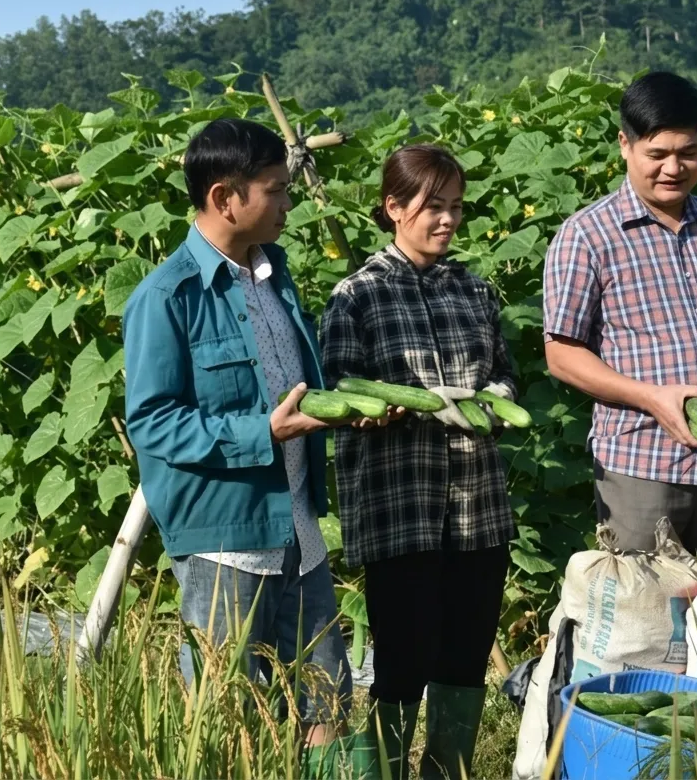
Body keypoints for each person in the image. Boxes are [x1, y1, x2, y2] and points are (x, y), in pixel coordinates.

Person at [123, 117, 380, 777]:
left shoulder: (272, 278)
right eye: (275, 189)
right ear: (224, 198)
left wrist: (340, 411)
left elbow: (293, 387)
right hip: (225, 536)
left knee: (326, 692)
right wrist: (260, 432)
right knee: (228, 705)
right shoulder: (167, 297)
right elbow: (152, 422)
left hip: (296, 523)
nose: (288, 202)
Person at [319, 144, 518, 780]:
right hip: (398, 509)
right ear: (394, 208)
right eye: (433, 207)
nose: (448, 221)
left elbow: (504, 376)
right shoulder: (357, 296)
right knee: (403, 665)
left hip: (477, 509)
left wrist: (495, 401)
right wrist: (367, 407)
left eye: (456, 207)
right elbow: (337, 387)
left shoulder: (475, 291)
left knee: (464, 659)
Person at [542, 70, 697, 559]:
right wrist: (651, 398)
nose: (673, 168)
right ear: (625, 146)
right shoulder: (587, 236)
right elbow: (562, 354)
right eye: (657, 154)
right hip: (641, 465)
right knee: (647, 616)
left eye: (688, 152)